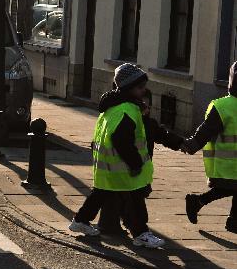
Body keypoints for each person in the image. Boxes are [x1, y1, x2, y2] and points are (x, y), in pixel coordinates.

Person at [68, 63, 165, 248]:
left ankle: (80, 221)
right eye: (140, 87)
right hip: (123, 166)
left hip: (107, 165)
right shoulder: (127, 110)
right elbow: (121, 139)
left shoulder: (112, 106)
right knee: (135, 199)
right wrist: (135, 162)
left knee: (100, 194)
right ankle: (141, 234)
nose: (143, 91)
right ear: (129, 88)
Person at [96, 88, 183, 235]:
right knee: (127, 201)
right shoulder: (124, 119)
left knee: (130, 199)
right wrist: (134, 163)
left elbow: (163, 135)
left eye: (147, 106)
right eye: (141, 105)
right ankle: (132, 230)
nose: (144, 109)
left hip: (138, 171)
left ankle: (125, 225)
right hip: (124, 168)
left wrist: (180, 143)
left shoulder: (149, 124)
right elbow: (120, 142)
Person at [181, 61, 237, 234]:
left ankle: (232, 221)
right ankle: (198, 202)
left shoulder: (224, 106)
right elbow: (206, 130)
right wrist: (192, 144)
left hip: (229, 164)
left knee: (231, 189)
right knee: (228, 188)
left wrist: (193, 144)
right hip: (226, 163)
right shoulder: (223, 106)